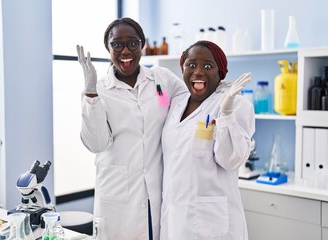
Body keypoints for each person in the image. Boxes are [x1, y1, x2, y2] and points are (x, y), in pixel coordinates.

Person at [76, 17, 187, 240]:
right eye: (117, 44)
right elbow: (97, 144)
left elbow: (187, 102)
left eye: (132, 43)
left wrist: (218, 89)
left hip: (156, 189)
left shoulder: (160, 79)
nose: (125, 50)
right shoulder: (99, 90)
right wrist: (91, 94)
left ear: (142, 46)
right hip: (117, 195)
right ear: (108, 48)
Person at [160, 40, 255, 240]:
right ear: (182, 69)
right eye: (191, 65)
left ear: (221, 73)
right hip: (174, 215)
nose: (199, 72)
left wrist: (226, 114)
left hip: (211, 223)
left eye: (208, 66)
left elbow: (231, 160)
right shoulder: (176, 103)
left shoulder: (236, 104)